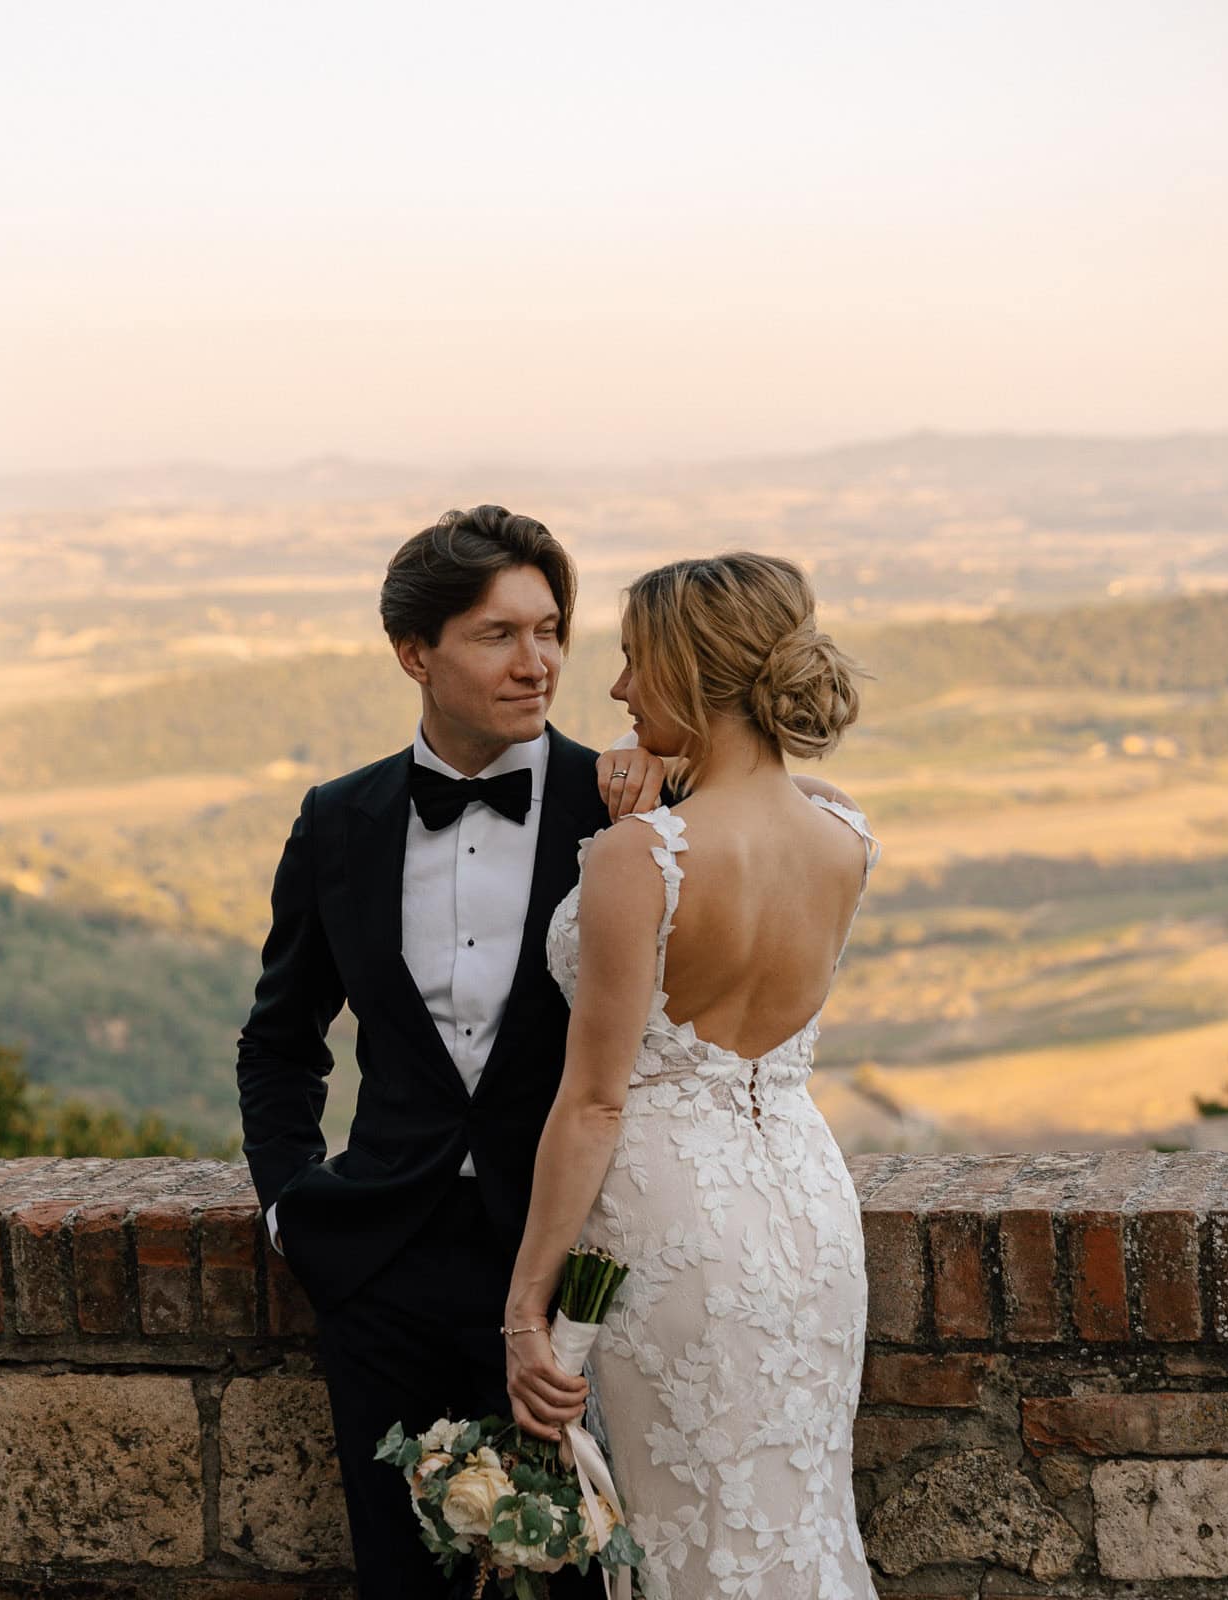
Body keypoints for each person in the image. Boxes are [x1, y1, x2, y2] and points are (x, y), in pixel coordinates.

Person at [234, 505, 665, 1599]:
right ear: (414, 654)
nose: (540, 664)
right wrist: (293, 1206)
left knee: (580, 1576)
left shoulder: (623, 807)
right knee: (401, 1575)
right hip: (383, 1267)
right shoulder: (341, 821)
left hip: (570, 1265)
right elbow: (281, 1043)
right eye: (499, 635)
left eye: (552, 630)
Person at [505, 552, 880, 1600]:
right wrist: (664, 781)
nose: (618, 692)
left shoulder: (638, 858)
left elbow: (593, 1102)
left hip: (673, 1223)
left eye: (634, 663)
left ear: (692, 670)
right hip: (807, 1207)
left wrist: (525, 1311)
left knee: (685, 1530)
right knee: (794, 1512)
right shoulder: (843, 832)